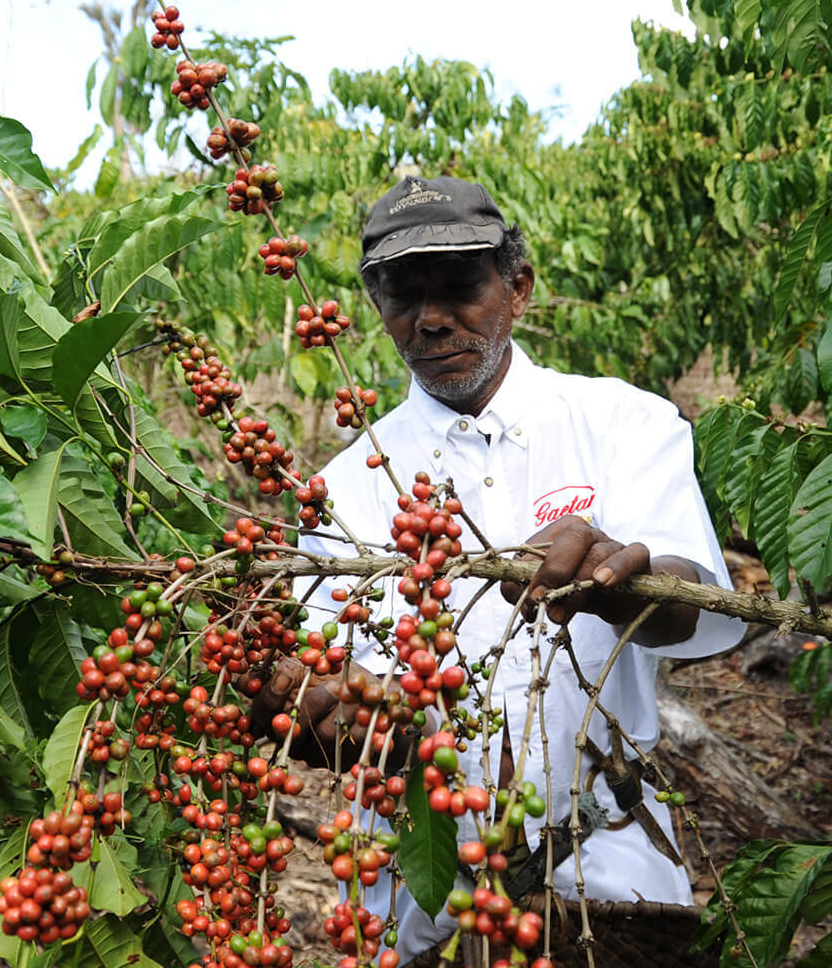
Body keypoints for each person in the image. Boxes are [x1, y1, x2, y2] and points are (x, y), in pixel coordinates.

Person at [250, 175, 742, 963]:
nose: (432, 319)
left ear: (517, 289)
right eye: (404, 298)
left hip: (607, 877)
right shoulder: (346, 489)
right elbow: (330, 689)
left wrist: (626, 583)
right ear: (377, 314)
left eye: (460, 288)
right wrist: (322, 716)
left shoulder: (621, 423)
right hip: (418, 900)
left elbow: (699, 605)